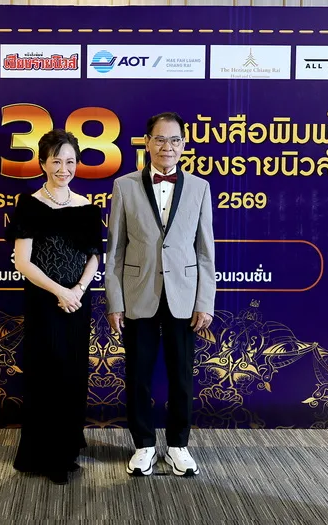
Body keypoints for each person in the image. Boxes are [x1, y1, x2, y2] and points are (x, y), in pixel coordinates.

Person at [105, 111, 215, 477]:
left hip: (184, 297)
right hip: (138, 294)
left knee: (181, 376)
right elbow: (115, 249)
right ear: (147, 143)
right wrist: (115, 301)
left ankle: (178, 446)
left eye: (175, 140)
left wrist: (205, 302)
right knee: (138, 375)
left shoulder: (200, 187)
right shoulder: (124, 185)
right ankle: (144, 445)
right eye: (160, 139)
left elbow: (205, 251)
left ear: (184, 145)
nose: (168, 147)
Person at [5, 129, 103, 485]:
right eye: (57, 161)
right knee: (45, 375)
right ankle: (42, 455)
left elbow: (95, 257)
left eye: (70, 161)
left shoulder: (87, 207)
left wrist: (77, 290)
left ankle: (66, 449)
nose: (64, 169)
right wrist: (60, 291)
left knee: (72, 374)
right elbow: (23, 262)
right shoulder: (29, 205)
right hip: (44, 302)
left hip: (77, 303)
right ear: (43, 163)